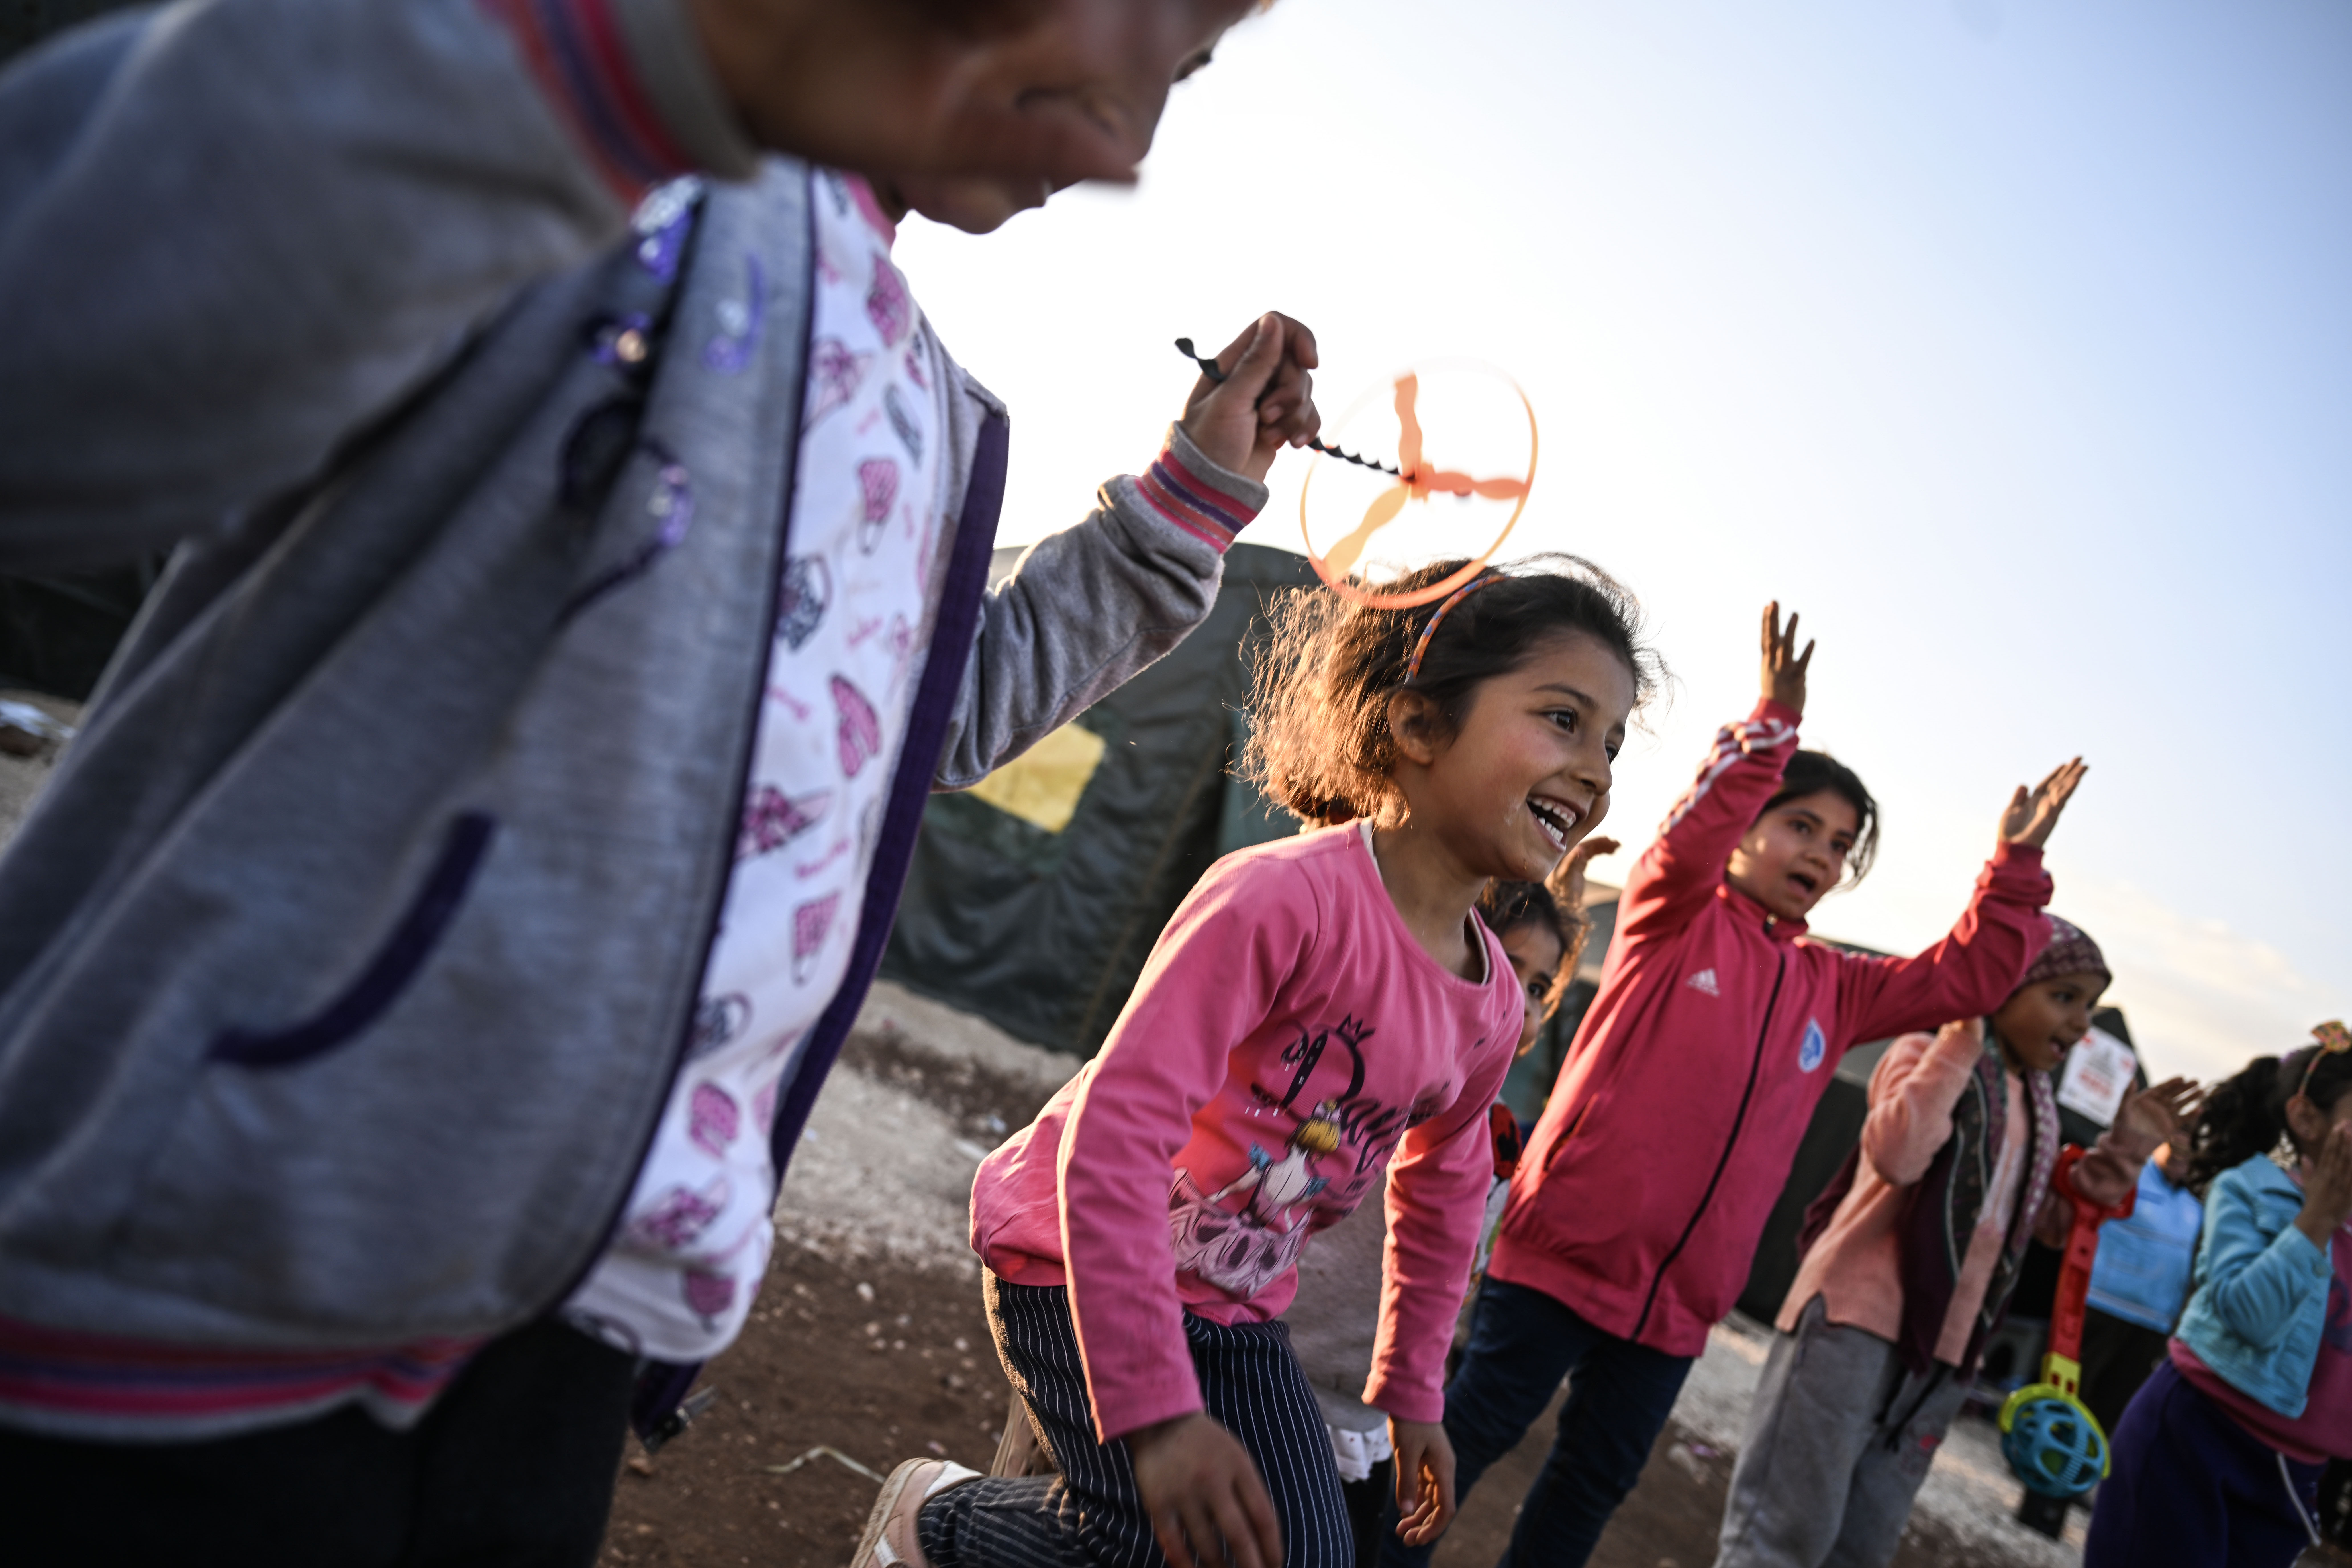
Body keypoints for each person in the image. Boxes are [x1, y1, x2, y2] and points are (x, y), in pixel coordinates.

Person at [0, 0, 1293, 1562]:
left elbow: (918, 727)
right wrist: (655, 62)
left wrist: (1188, 502)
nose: (1131, 135)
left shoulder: (923, 402)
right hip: (211, 1265)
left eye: (1197, 67)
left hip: (574, 1310)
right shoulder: (595, 160)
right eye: (1143, 23)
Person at [851, 557, 1668, 1568]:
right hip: (1072, 1258)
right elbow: (1115, 1134)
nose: (1595, 769)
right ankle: (934, 1520)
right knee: (1153, 1543)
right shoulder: (1280, 902)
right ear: (1416, 727)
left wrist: (1412, 1393)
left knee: (1307, 1560)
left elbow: (1446, 1189)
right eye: (1561, 719)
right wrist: (1154, 1414)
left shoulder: (1493, 1001)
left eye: (1611, 741)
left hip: (1236, 1305)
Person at [1386, 603, 2085, 1568]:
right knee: (1454, 1449)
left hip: (1679, 1308)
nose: (1819, 855)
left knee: (1586, 1490)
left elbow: (1963, 980)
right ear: (1746, 825)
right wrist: (1770, 729)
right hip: (1558, 1257)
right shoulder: (1672, 915)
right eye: (1799, 824)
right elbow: (1687, 834)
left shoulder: (1834, 988)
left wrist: (2011, 872)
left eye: (1839, 845)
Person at [1710, 920, 2200, 1568]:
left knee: (1864, 1544)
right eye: (2064, 997)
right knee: (1784, 1532)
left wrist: (2129, 1144)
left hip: (1943, 1354)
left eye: (2089, 1005)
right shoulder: (1925, 1054)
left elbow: (2050, 1223)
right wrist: (1962, 1032)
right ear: (2002, 987)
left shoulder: (2035, 1104)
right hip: (1851, 1327)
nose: (2082, 1024)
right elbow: (1900, 1155)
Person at [1287, 852, 1614, 1567]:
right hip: (1280, 1383)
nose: (1523, 1005)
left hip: (1370, 1420)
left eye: (1539, 987)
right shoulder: (1383, 1088)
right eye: (1508, 968)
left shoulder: (1495, 1134)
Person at [2084, 1025, 2352, 1568]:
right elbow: (2248, 1315)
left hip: (2293, 1473)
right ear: (2306, 1119)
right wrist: (2319, 1216)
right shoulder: (2252, 1191)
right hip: (2197, 1437)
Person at [2078, 1116, 2205, 1440]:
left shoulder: (2196, 1200)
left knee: (2110, 1411)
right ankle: (2043, 1481)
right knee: (2073, 1400)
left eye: (2192, 1141)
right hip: (2098, 1308)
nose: (2183, 1147)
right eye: (2179, 1133)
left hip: (2151, 1325)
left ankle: (2074, 1481)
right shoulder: (2130, 1176)